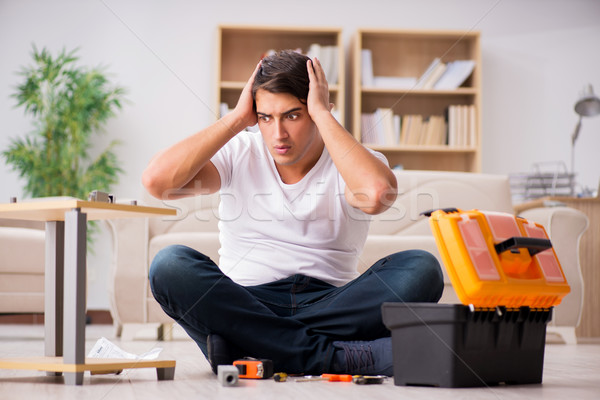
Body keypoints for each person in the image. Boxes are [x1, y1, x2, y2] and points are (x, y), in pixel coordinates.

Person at [142, 50, 443, 376]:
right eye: (266, 117)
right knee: (170, 265)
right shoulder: (239, 149)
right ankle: (338, 358)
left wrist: (324, 115)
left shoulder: (350, 158)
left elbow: (375, 195)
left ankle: (248, 349)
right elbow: (157, 182)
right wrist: (237, 119)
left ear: (317, 109)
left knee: (421, 269)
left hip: (330, 303)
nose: (278, 134)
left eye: (293, 115)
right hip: (246, 302)